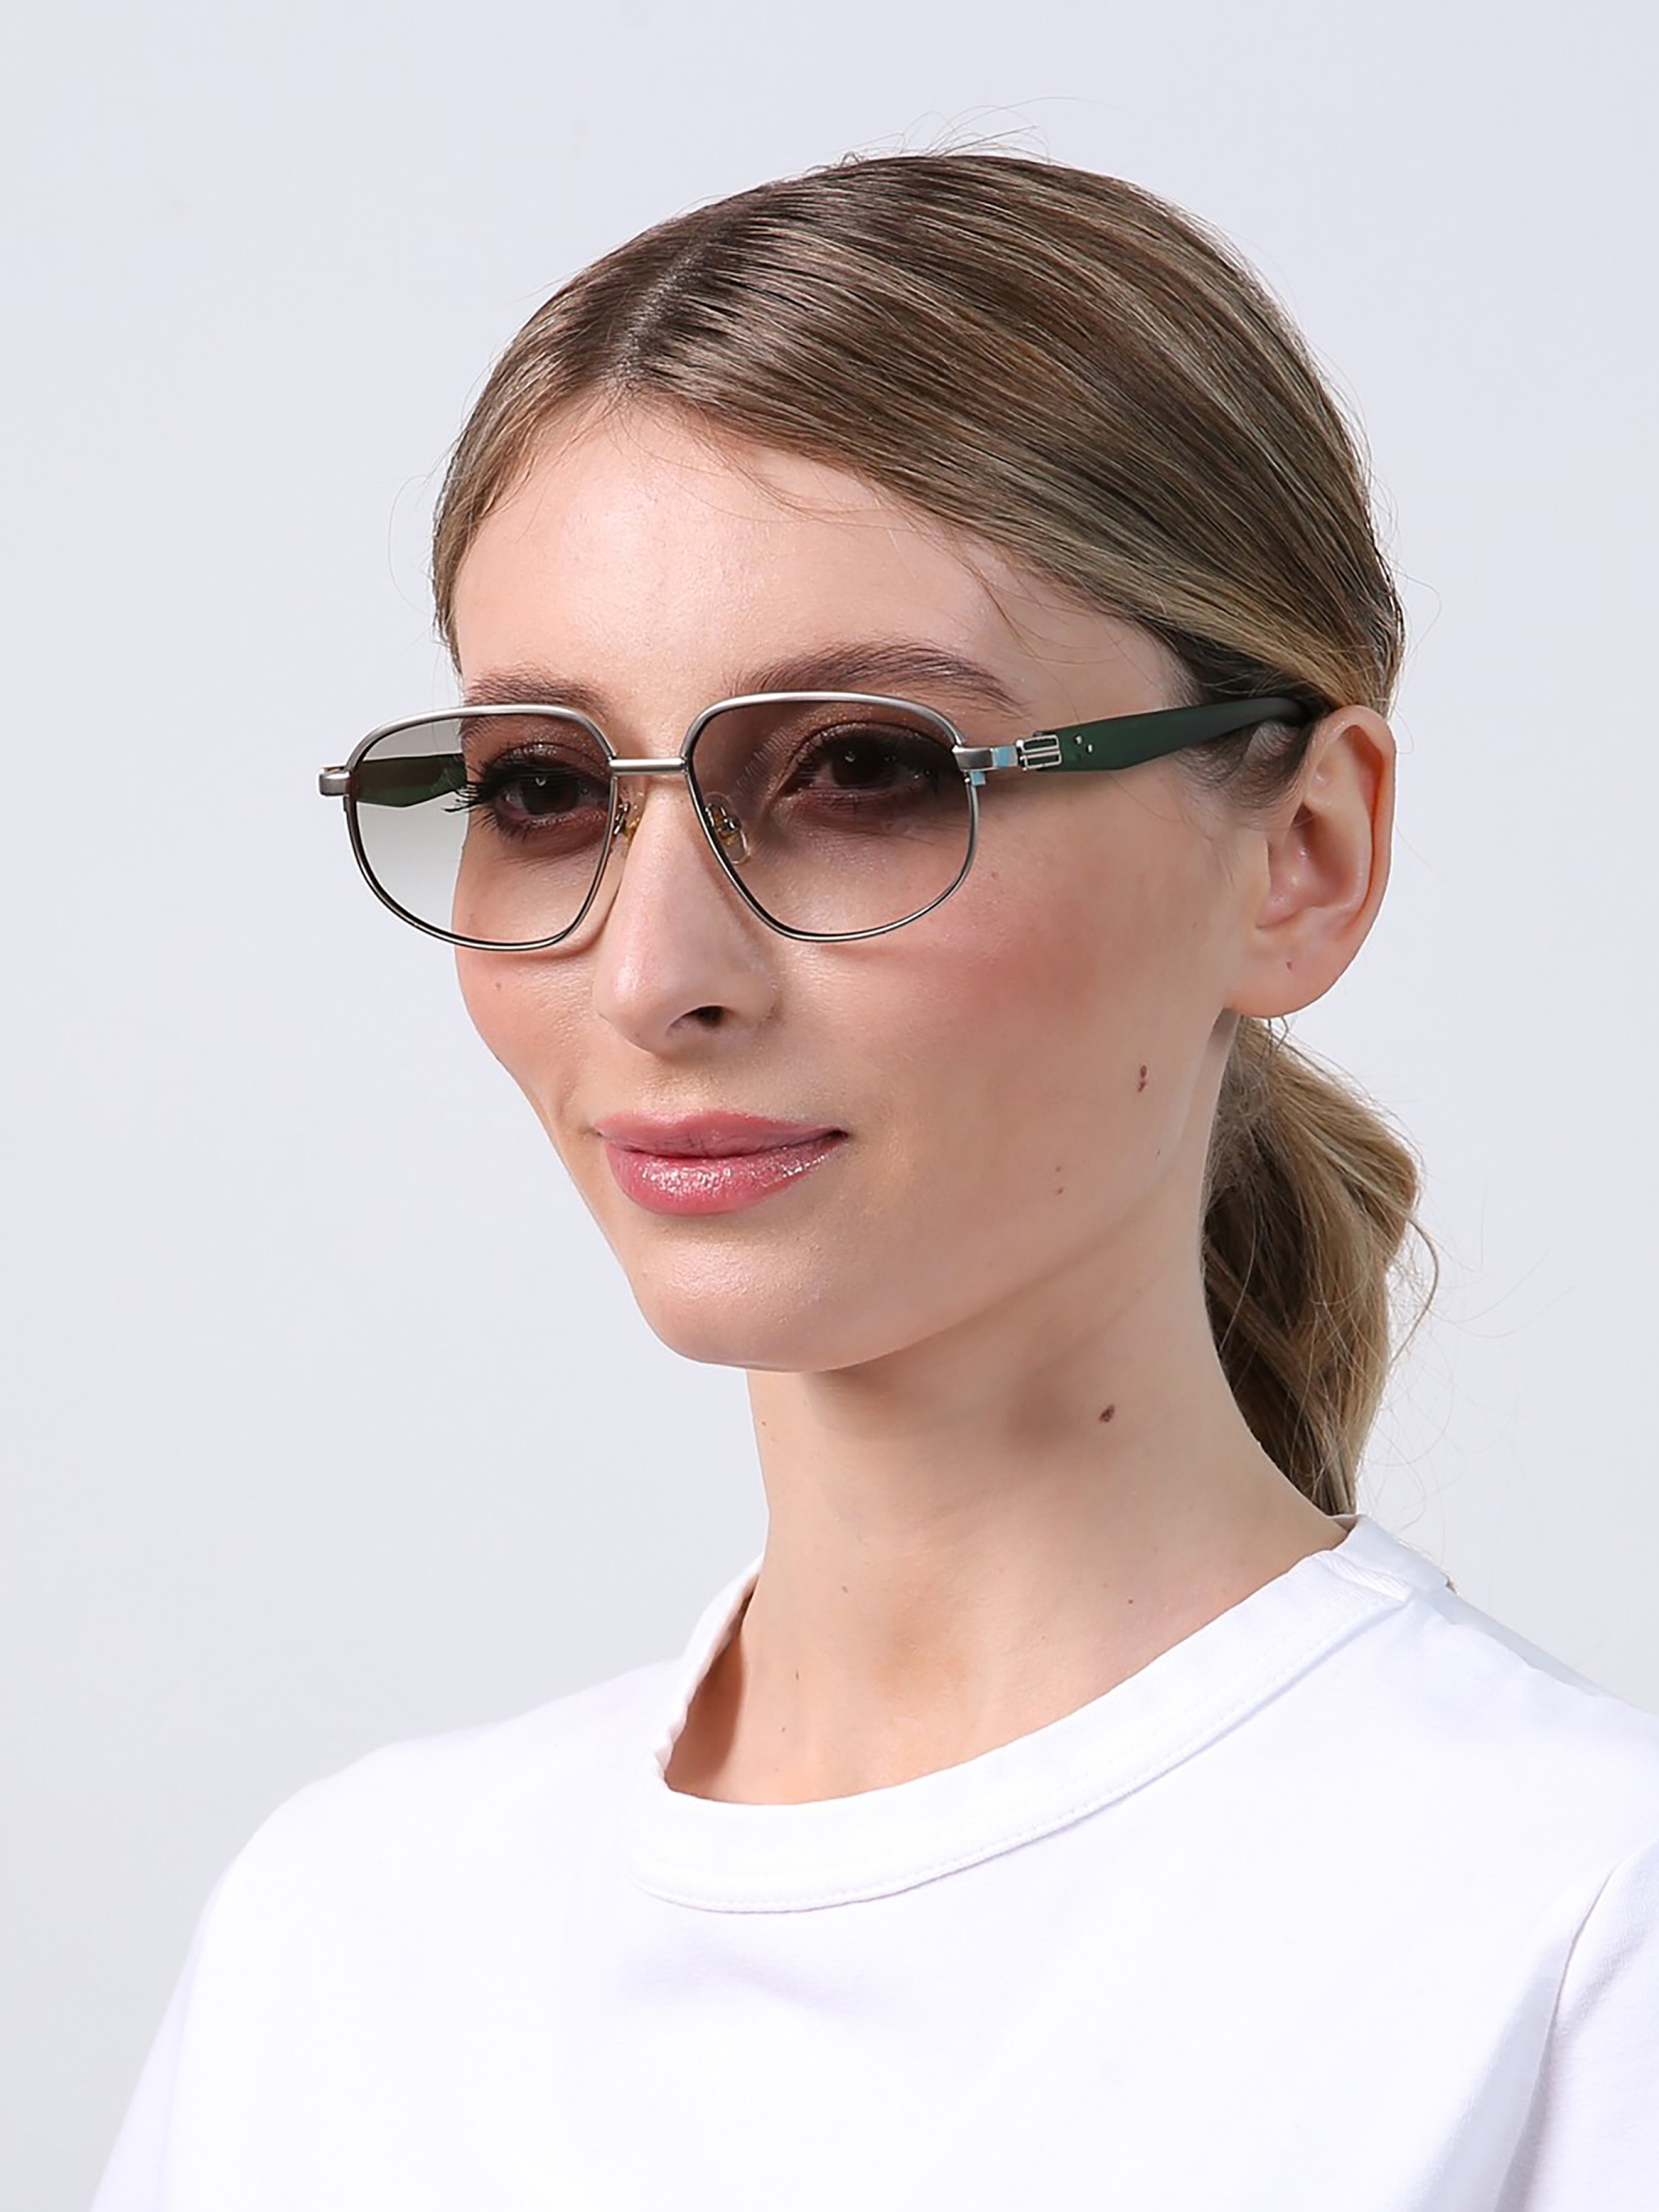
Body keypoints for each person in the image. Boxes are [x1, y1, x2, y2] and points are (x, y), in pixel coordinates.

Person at [93, 150, 1659, 2210]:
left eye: (863, 770)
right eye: (540, 789)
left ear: (1300, 858)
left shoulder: (1563, 1938)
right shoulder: (342, 1946)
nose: (651, 975)